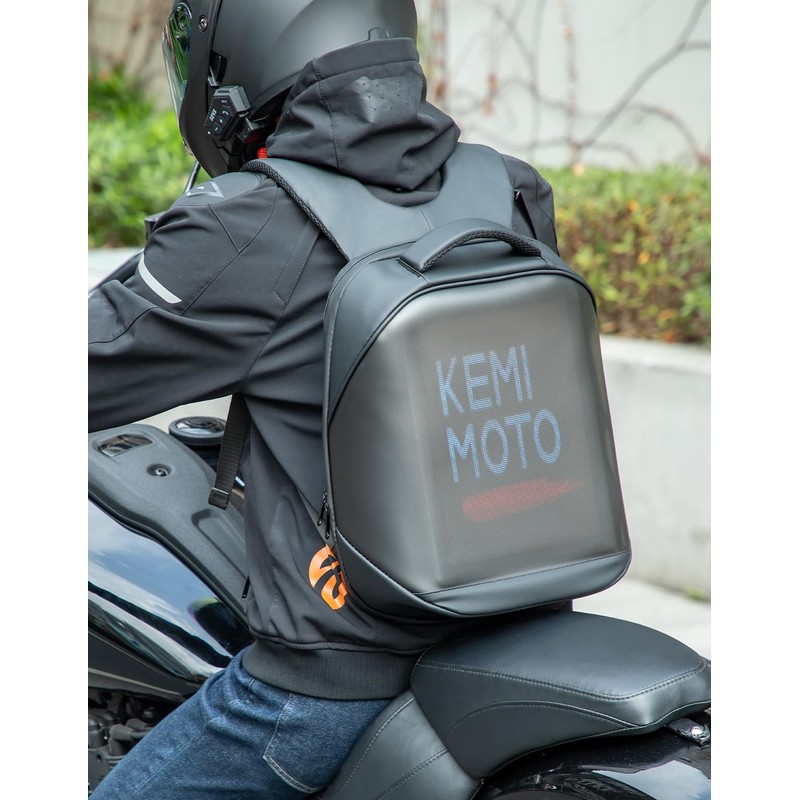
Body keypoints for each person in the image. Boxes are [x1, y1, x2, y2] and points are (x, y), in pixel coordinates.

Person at [88, 1, 560, 797]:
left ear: (232, 57)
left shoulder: (252, 224)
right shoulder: (507, 188)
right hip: (521, 632)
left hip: (331, 687)